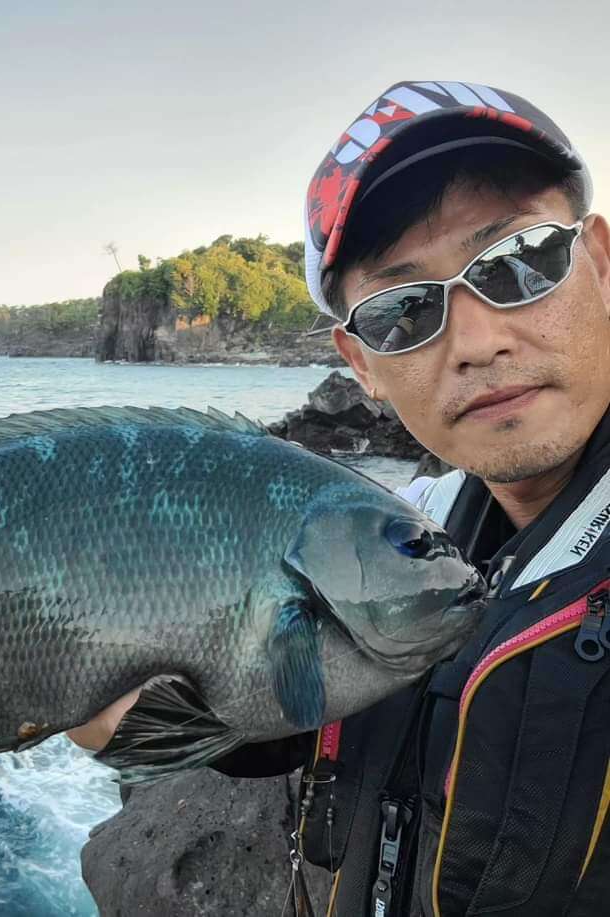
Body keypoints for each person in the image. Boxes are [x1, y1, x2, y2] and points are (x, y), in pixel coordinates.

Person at [68, 80, 610, 915]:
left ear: (601, 262)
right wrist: (146, 721)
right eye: (401, 313)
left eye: (518, 262)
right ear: (360, 365)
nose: (476, 339)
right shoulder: (419, 529)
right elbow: (323, 709)